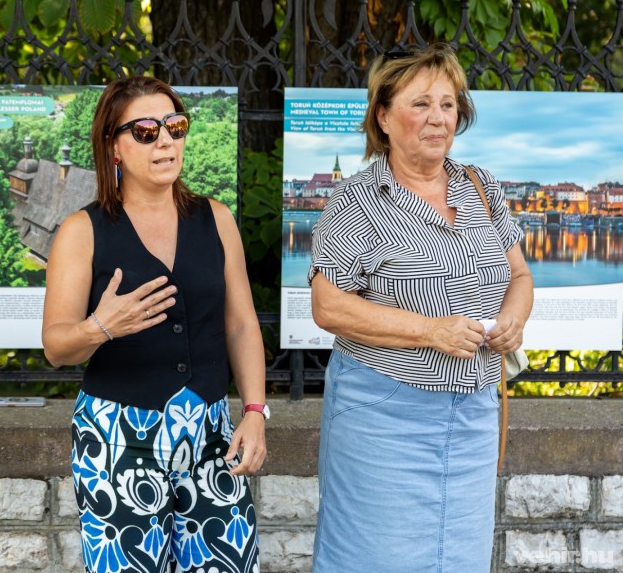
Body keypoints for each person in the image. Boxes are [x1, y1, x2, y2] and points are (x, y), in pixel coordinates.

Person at [308, 44, 533, 573]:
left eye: (448, 104)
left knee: (459, 559)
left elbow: (520, 276)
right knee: (370, 557)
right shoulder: (355, 201)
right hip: (383, 414)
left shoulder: (481, 186)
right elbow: (327, 306)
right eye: (421, 104)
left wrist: (515, 320)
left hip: (475, 412)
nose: (438, 118)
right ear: (383, 117)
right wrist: (430, 331)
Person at [42, 76, 267, 573]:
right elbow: (56, 346)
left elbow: (242, 325)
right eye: (145, 130)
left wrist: (254, 410)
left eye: (175, 126)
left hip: (211, 436)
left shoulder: (216, 218)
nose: (165, 139)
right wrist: (101, 326)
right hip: (118, 438)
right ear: (113, 146)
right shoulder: (83, 231)